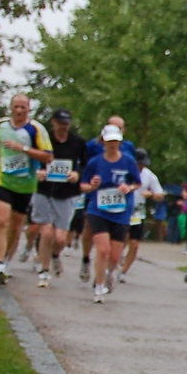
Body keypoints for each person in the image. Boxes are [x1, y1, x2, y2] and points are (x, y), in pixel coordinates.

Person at [0, 93, 54, 285]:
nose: (19, 110)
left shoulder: (36, 129)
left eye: (23, 107)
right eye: (15, 107)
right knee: (2, 220)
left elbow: (48, 157)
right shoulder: (0, 125)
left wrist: (23, 149)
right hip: (1, 180)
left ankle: (5, 259)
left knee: (16, 225)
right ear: (10, 107)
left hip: (25, 184)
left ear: (29, 109)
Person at [77, 125, 141, 303]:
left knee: (114, 256)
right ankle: (98, 287)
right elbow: (83, 185)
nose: (113, 144)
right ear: (102, 142)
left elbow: (137, 183)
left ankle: (109, 273)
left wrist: (128, 187)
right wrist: (92, 185)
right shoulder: (95, 162)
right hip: (98, 210)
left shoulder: (128, 161)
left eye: (116, 141)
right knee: (103, 250)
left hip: (120, 212)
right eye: (109, 141)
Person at [32, 109, 89, 288]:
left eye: (66, 123)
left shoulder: (78, 142)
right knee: (47, 232)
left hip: (66, 193)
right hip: (44, 190)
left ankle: (55, 255)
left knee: (61, 239)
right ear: (53, 122)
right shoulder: (43, 139)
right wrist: (37, 172)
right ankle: (44, 271)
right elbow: (31, 159)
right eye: (60, 123)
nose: (63, 127)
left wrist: (76, 174)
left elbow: (86, 165)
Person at [119, 148, 162, 280]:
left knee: (135, 244)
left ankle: (123, 272)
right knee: (122, 240)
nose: (141, 167)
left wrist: (151, 194)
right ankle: (115, 263)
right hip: (122, 209)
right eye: (139, 164)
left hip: (137, 213)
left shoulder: (149, 176)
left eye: (143, 164)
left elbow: (160, 195)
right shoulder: (123, 171)